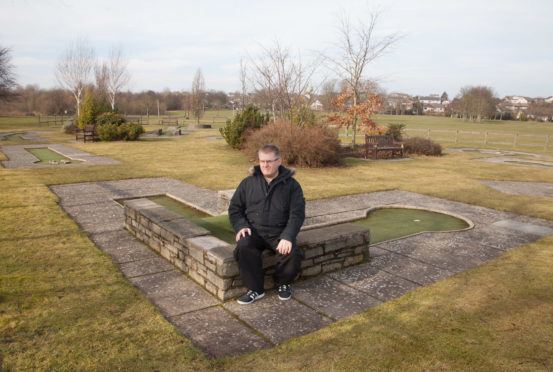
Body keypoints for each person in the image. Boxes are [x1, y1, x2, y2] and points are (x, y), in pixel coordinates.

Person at [229, 144, 305, 304]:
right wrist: (241, 226)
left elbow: (297, 215)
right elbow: (235, 208)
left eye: (269, 161)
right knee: (243, 245)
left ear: (279, 161)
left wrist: (288, 236)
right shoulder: (247, 183)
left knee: (291, 253)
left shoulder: (292, 186)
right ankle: (255, 289)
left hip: (279, 233)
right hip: (253, 231)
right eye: (262, 161)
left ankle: (284, 283)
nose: (265, 165)